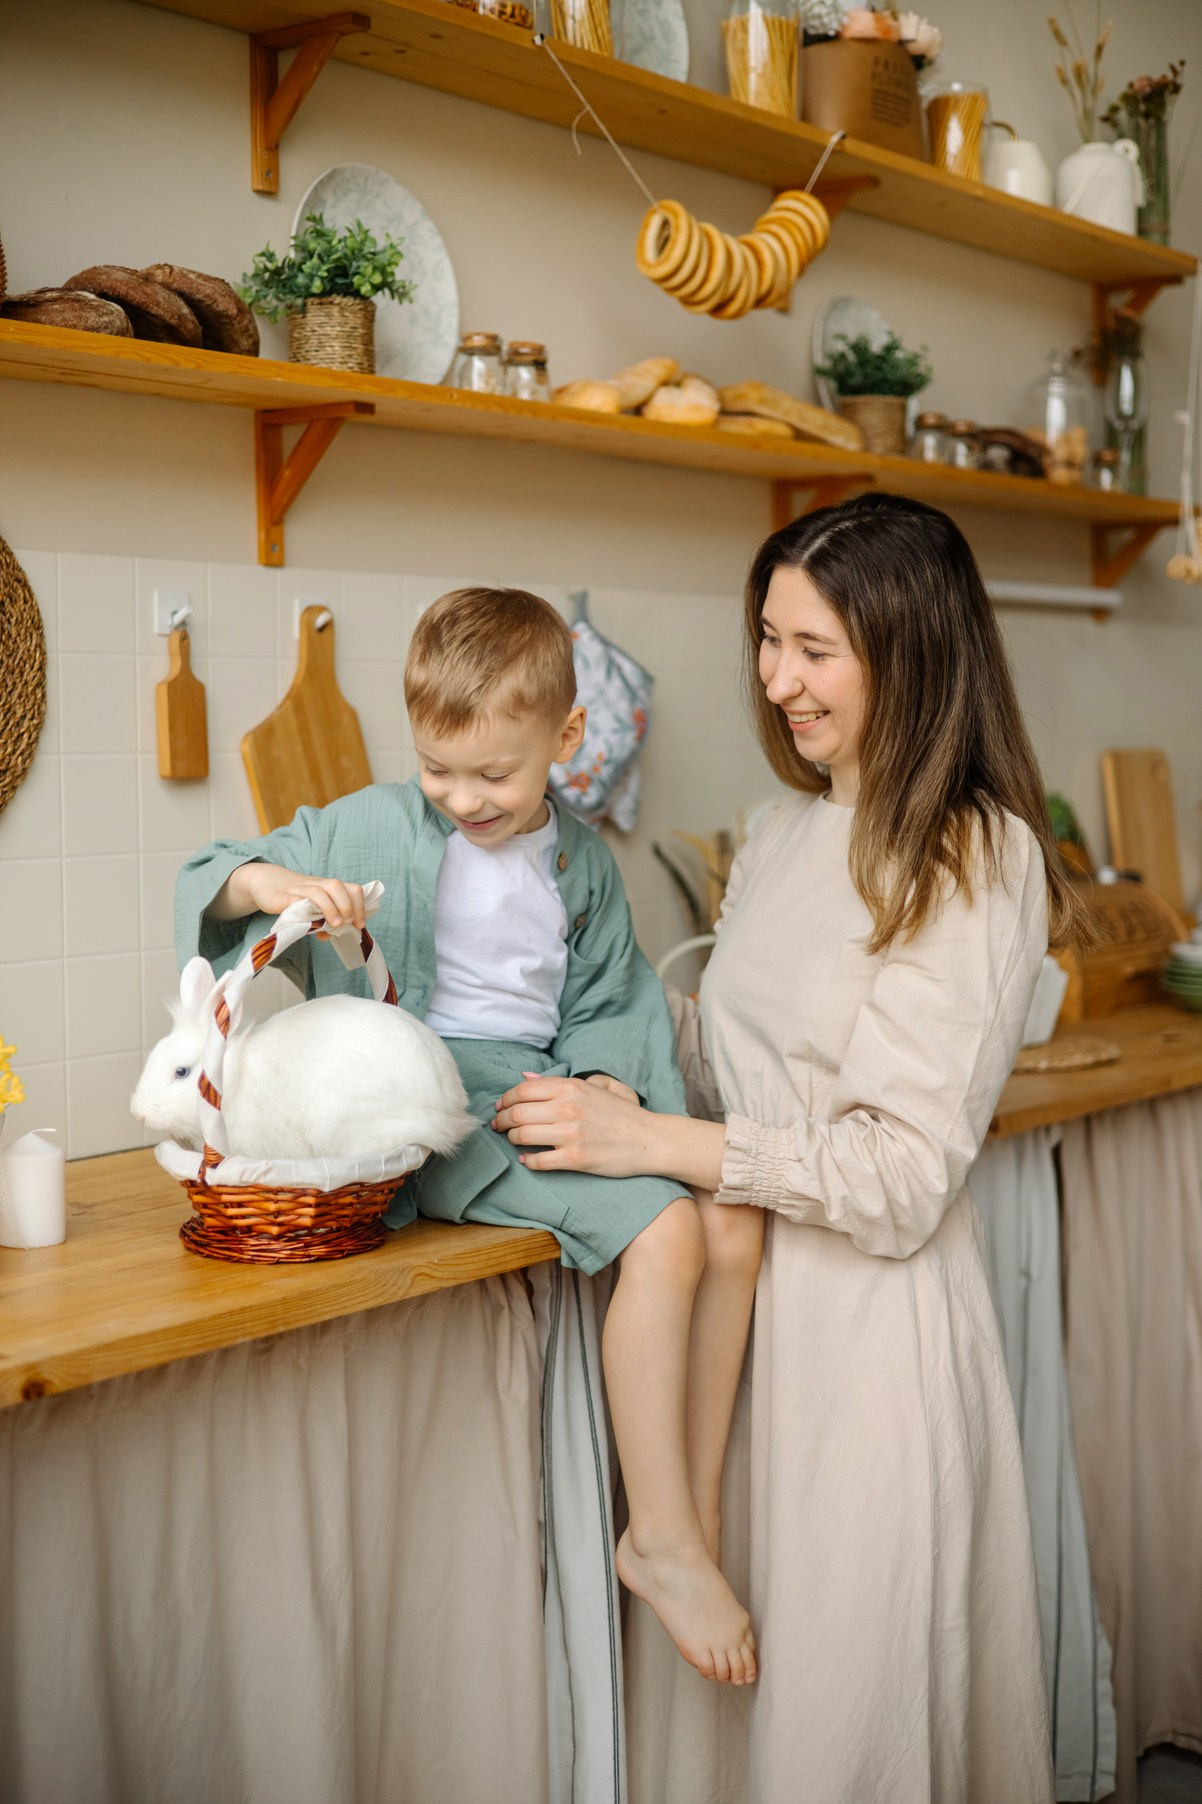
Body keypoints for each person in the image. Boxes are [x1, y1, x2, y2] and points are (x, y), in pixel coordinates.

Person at [491, 496, 1080, 1800]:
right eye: (766, 639)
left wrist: (653, 1133)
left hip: (862, 1358)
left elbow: (899, 1176)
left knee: (837, 1731)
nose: (774, 679)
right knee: (726, 1737)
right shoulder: (780, 832)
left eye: (813, 648)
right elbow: (735, 1063)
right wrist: (580, 1013)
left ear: (909, 652)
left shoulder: (978, 856)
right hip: (729, 1336)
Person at [174, 585, 764, 1687]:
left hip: (537, 1089)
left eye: (494, 774)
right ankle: (663, 1539)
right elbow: (215, 877)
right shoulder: (372, 821)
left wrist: (598, 1084)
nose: (462, 798)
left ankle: (687, 1511)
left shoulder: (580, 864)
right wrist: (283, 884)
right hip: (428, 1101)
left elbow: (606, 999)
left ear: (566, 738)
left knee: (726, 1219)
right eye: (438, 769)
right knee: (672, 1237)